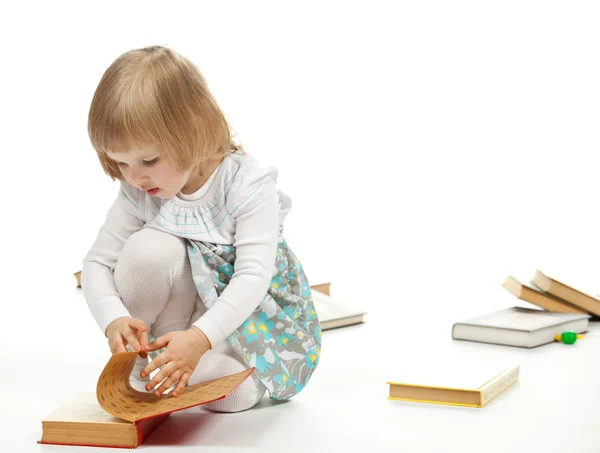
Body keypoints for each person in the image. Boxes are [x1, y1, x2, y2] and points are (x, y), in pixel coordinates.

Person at [81, 45, 321, 413]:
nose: (135, 176)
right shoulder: (138, 189)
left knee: (230, 394)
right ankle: (149, 361)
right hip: (177, 317)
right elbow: (98, 263)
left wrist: (200, 338)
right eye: (121, 162)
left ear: (193, 130)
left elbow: (252, 278)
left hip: (238, 322)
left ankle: (194, 364)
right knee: (149, 249)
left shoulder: (246, 185)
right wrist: (114, 318)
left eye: (148, 159)